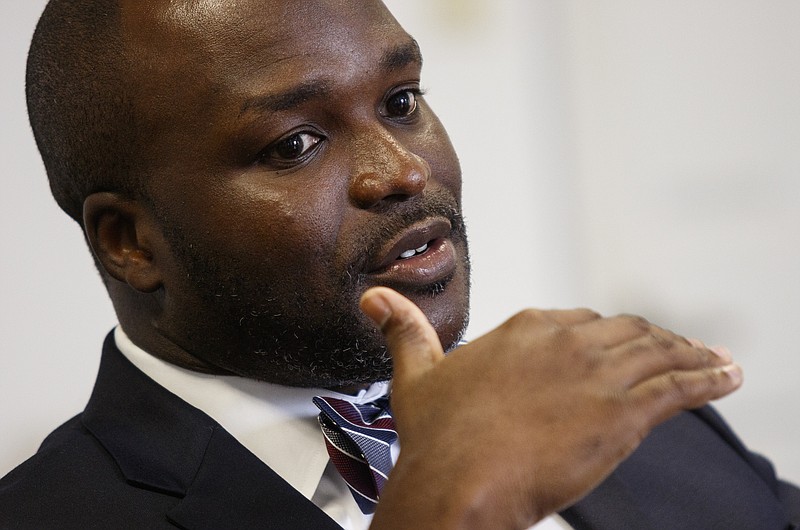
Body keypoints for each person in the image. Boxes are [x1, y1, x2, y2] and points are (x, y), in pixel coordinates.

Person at [1, 0, 798, 528]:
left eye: (401, 102)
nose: (403, 172)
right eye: (295, 145)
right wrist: (446, 505)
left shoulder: (625, 418)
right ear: (128, 242)